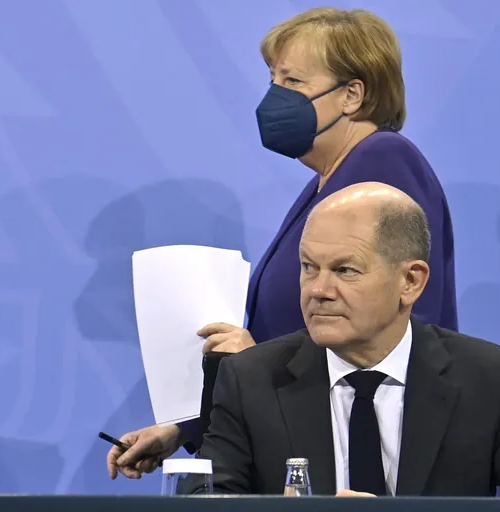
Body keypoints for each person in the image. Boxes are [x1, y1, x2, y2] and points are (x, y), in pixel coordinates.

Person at [107, 7, 458, 480]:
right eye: (272, 79)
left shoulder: (383, 162)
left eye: (292, 82)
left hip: (371, 458)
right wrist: (182, 429)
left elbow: (394, 332)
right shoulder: (325, 183)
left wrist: (255, 364)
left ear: (352, 95)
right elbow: (285, 339)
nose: (274, 97)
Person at [193, 182, 500, 497]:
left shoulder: (489, 379)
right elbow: (206, 503)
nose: (318, 290)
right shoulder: (250, 380)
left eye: (345, 270)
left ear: (410, 281)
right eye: (309, 267)